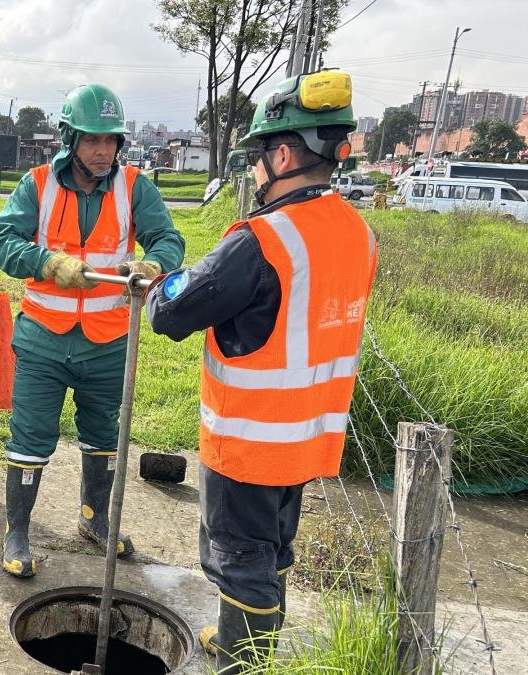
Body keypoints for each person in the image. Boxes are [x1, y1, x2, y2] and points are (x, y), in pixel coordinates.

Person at [145, 70, 377, 671]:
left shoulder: (263, 239)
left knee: (238, 562)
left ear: (281, 153)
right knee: (271, 553)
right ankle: (245, 643)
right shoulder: (359, 234)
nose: (254, 173)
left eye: (257, 159)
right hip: (309, 437)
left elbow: (173, 311)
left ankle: (242, 663)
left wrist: (157, 286)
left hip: (250, 441)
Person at [0, 84, 184, 578]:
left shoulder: (135, 186)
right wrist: (48, 261)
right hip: (43, 338)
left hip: (109, 340)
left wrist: (155, 261)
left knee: (103, 434)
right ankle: (17, 531)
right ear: (70, 138)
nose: (103, 150)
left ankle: (95, 520)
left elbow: (167, 237)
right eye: (93, 140)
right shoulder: (36, 184)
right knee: (30, 436)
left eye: (112, 140)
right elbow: (3, 242)